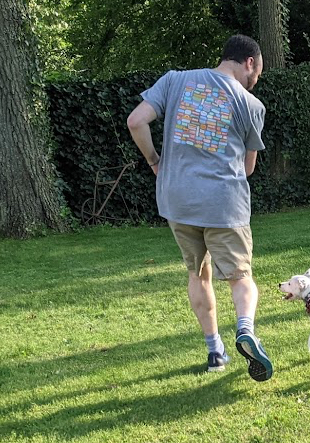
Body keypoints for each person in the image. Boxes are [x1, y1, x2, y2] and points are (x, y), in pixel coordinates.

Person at [126, 34, 273, 382]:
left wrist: (154, 162)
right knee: (240, 276)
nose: (255, 81)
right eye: (257, 74)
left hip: (178, 199)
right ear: (249, 62)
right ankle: (246, 329)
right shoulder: (250, 105)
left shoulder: (174, 80)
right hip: (224, 203)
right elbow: (248, 169)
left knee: (198, 273)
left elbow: (136, 121)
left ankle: (214, 350)